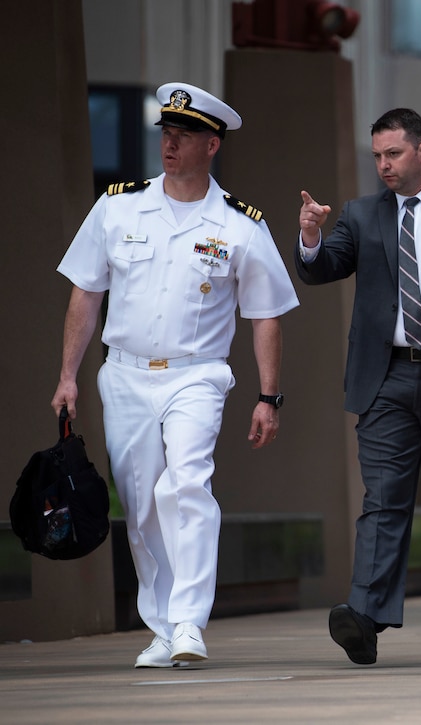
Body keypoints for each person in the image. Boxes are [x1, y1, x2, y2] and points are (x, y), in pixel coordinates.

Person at [51, 82, 299, 668]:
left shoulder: (240, 225)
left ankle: (189, 621)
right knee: (140, 504)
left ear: (211, 146)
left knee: (186, 484)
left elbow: (265, 315)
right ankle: (161, 628)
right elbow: (85, 293)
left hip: (197, 375)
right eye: (165, 134)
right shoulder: (117, 207)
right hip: (125, 374)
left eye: (183, 137)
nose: (170, 146)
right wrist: (67, 375)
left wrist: (269, 396)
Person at [295, 108, 421, 666]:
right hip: (386, 378)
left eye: (393, 154)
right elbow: (322, 268)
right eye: (376, 156)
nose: (383, 166)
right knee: (383, 500)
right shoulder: (361, 214)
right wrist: (310, 235)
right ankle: (364, 617)